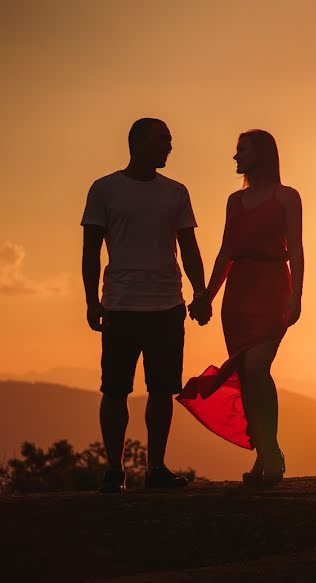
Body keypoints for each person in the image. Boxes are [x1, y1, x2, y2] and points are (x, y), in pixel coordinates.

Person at [81, 118, 209, 493]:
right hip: (120, 304)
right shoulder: (104, 189)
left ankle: (155, 468)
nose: (168, 147)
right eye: (162, 140)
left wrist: (200, 292)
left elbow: (189, 246)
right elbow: (91, 250)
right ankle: (113, 468)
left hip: (167, 303)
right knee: (115, 388)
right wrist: (92, 301)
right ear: (136, 142)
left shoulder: (177, 192)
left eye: (169, 141)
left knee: (162, 389)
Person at [179, 129, 303, 487]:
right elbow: (225, 253)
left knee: (257, 366)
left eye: (241, 150)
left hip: (272, 286)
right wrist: (207, 297)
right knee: (246, 375)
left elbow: (295, 248)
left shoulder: (287, 197)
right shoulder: (234, 200)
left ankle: (272, 451)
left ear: (261, 154)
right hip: (238, 293)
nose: (235, 157)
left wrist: (297, 296)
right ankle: (263, 456)